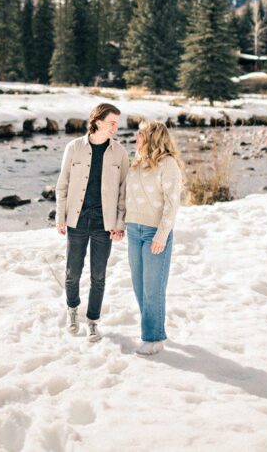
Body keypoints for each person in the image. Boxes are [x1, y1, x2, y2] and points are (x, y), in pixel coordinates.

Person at [55, 102, 129, 343]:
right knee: (72, 272)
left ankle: (93, 321)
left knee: (99, 275)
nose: (115, 128)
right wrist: (60, 217)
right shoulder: (74, 148)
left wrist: (119, 223)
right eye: (111, 123)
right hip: (76, 220)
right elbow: (62, 184)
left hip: (104, 224)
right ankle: (72, 311)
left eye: (117, 124)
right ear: (97, 121)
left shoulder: (120, 152)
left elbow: (123, 191)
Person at [125, 119, 184, 356]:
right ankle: (153, 328)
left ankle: (153, 337)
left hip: (154, 234)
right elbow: (126, 196)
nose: (135, 136)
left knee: (152, 288)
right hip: (133, 231)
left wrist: (161, 235)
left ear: (152, 137)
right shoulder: (137, 162)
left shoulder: (168, 164)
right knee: (139, 287)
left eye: (140, 133)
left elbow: (172, 204)